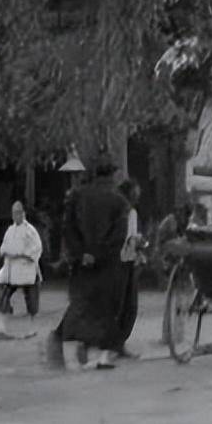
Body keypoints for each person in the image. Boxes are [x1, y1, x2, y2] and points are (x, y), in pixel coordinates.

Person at [56, 159, 130, 371]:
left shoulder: (76, 196)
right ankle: (98, 357)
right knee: (105, 308)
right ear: (113, 175)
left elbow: (68, 229)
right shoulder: (119, 202)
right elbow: (118, 236)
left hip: (81, 263)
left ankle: (73, 356)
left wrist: (82, 254)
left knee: (79, 304)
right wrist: (98, 255)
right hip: (106, 265)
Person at [0, 200, 43, 336]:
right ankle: (1, 326)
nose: (15, 215)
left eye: (18, 212)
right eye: (13, 213)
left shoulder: (30, 230)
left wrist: (23, 254)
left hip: (26, 267)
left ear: (23, 213)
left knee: (32, 299)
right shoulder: (10, 230)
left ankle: (32, 328)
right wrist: (7, 252)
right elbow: (3, 247)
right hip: (11, 267)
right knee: (4, 296)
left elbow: (37, 248)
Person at [115, 179, 146, 358]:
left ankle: (118, 343)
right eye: (135, 193)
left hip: (127, 261)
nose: (137, 197)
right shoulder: (123, 212)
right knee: (124, 306)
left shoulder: (130, 212)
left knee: (128, 306)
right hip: (121, 261)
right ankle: (115, 343)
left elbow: (132, 236)